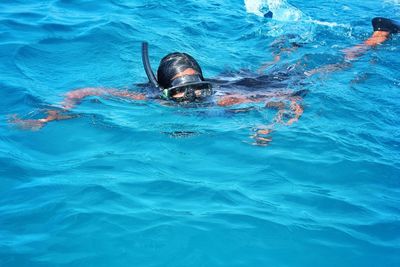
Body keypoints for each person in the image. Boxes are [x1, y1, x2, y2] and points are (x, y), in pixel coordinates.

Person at [11, 17, 400, 145]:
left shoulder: (220, 99)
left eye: (199, 89)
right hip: (239, 82)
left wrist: (271, 126)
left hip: (247, 86)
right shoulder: (150, 98)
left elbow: (289, 100)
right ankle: (284, 46)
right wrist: (52, 115)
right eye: (185, 93)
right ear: (165, 92)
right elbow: (84, 90)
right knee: (266, 68)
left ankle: (378, 38)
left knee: (321, 71)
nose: (196, 99)